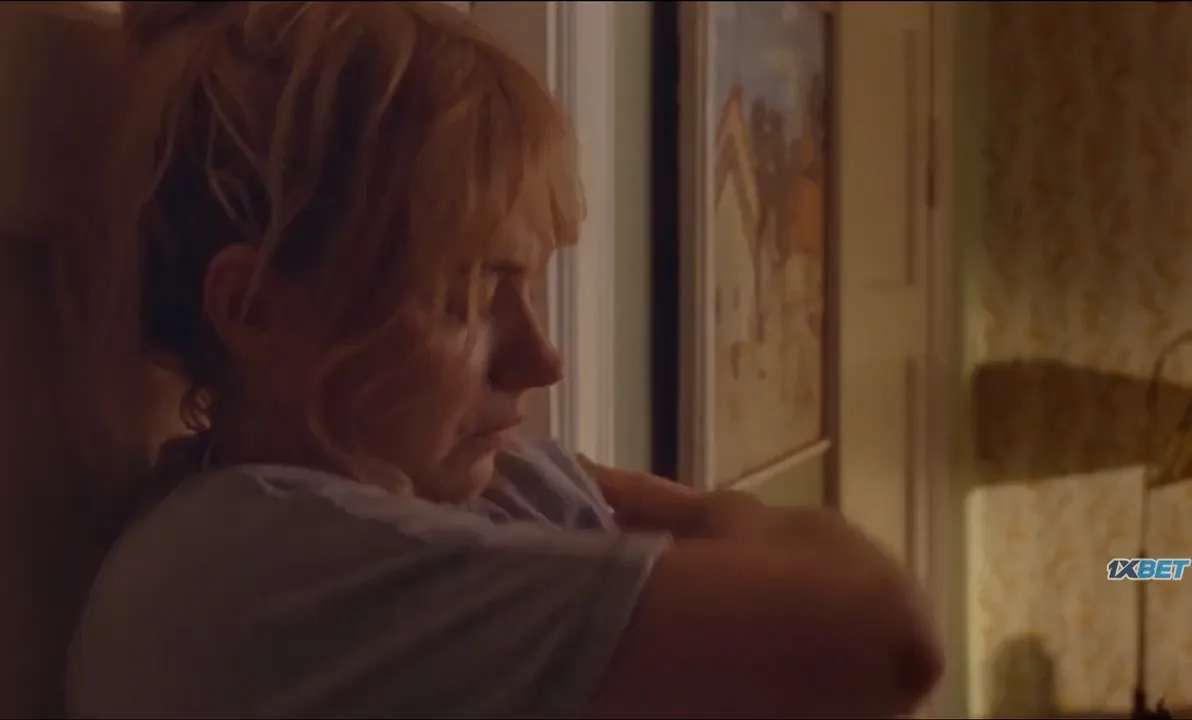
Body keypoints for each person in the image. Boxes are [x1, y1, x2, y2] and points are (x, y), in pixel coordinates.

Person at [63, 2, 943, 718]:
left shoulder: (474, 487)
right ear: (257, 308)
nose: (541, 359)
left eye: (529, 287)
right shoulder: (245, 573)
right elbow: (881, 645)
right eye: (469, 297)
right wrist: (717, 515)